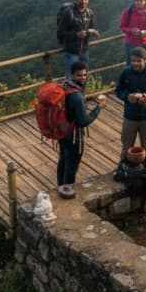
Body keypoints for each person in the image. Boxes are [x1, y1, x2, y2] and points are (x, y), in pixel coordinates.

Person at [56, 60, 106, 199]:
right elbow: (84, 121)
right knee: (71, 166)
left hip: (62, 131)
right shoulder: (77, 96)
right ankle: (67, 193)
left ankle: (60, 187)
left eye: (85, 75)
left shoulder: (65, 86)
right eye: (79, 75)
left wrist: (86, 99)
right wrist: (98, 108)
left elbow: (71, 104)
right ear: (72, 75)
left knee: (63, 160)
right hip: (74, 136)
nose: (83, 78)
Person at [115, 46, 146, 154]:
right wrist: (127, 97)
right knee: (126, 148)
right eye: (133, 61)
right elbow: (118, 91)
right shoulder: (125, 72)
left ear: (145, 61)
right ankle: (124, 169)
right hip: (130, 116)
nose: (135, 63)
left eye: (139, 61)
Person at [60, 0, 99, 80]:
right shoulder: (69, 13)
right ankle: (71, 94)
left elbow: (90, 28)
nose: (84, 2)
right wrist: (76, 35)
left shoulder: (89, 13)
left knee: (83, 77)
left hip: (85, 51)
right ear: (76, 0)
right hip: (72, 52)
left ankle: (81, 94)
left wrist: (92, 32)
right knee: (70, 77)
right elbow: (61, 33)